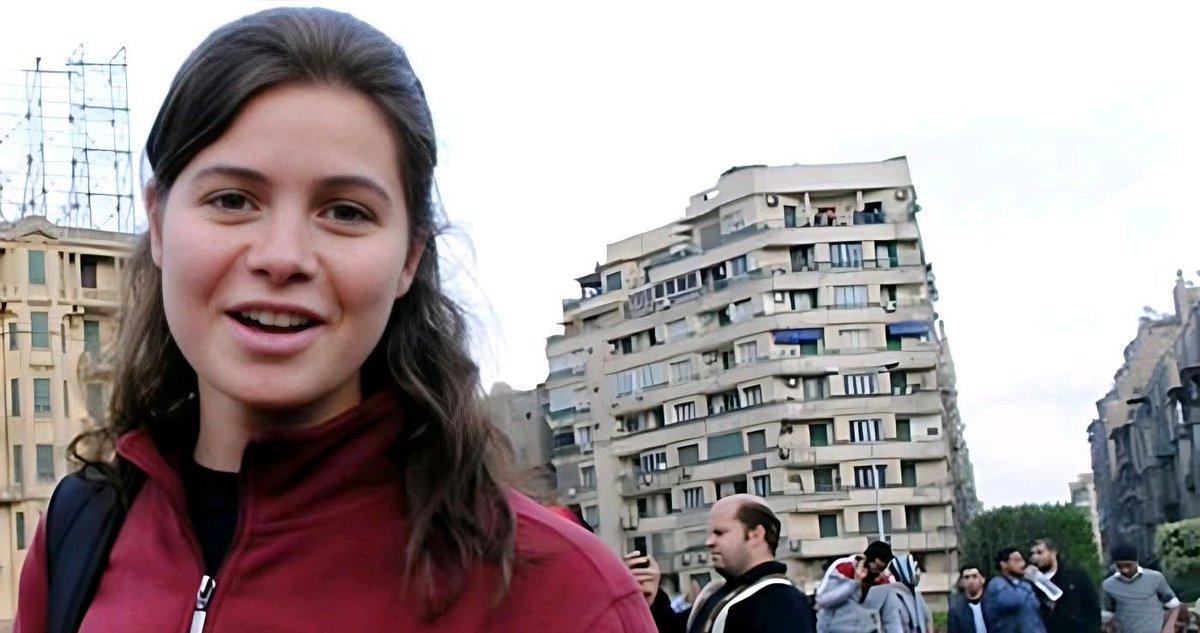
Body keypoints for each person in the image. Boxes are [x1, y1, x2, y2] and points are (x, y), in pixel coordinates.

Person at [12, 8, 656, 633]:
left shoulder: (563, 598)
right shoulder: (80, 535)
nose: (283, 257)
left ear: (410, 257)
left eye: (346, 212)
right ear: (157, 223)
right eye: (233, 200)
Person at [628, 494, 814, 633]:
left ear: (756, 534)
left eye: (719, 533)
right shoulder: (719, 594)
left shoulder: (782, 604)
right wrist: (652, 599)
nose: (709, 542)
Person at [815, 540, 896, 633]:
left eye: (882, 568)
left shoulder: (882, 580)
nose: (878, 572)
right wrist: (855, 583)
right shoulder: (843, 567)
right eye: (877, 566)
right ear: (866, 560)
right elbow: (822, 600)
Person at [1101, 543, 1181, 633]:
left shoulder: (1155, 578)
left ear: (1136, 562)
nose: (1124, 570)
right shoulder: (1108, 585)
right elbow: (1107, 615)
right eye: (1119, 566)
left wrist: (1169, 627)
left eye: (1128, 565)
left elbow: (1175, 606)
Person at [1029, 537, 1101, 633]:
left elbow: (1092, 609)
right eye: (1032, 554)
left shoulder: (1076, 578)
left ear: (1053, 552)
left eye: (1040, 552)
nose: (1035, 557)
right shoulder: (1032, 585)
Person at [982, 547, 1047, 633]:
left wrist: (1039, 579)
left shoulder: (1024, 585)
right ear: (1003, 564)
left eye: (1022, 560)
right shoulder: (996, 584)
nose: (1023, 564)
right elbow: (1015, 601)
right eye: (1017, 560)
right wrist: (1030, 580)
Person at [865, 553, 932, 633]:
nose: (918, 573)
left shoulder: (917, 595)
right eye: (916, 569)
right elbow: (893, 625)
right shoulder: (892, 596)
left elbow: (928, 622)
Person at [949, 565, 989, 633]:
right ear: (961, 582)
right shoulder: (956, 610)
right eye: (966, 577)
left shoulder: (993, 603)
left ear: (983, 579)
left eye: (975, 576)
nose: (971, 581)